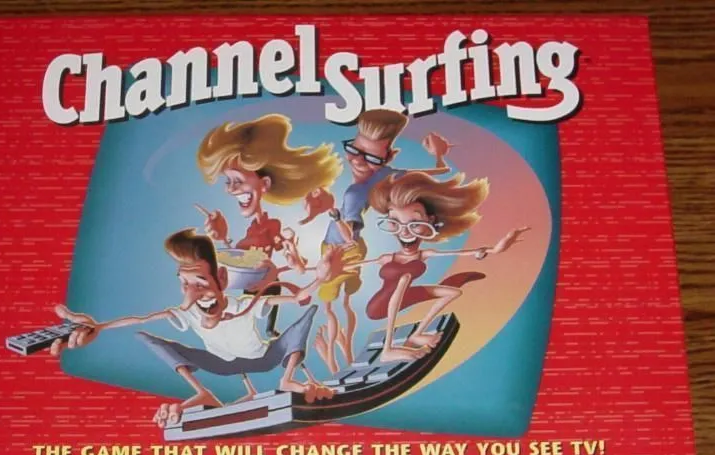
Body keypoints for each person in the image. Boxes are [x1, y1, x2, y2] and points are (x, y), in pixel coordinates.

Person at [50, 229, 345, 427]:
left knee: (304, 319)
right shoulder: (188, 313)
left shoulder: (244, 304)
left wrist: (319, 278)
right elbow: (140, 320)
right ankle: (203, 394)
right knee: (148, 338)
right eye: (185, 284)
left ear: (221, 279)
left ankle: (288, 379)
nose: (193, 295)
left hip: (262, 359)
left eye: (201, 283)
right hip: (222, 364)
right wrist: (100, 327)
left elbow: (298, 298)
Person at [301, 109, 453, 373]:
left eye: (372, 158)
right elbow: (441, 170)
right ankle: (346, 356)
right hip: (354, 248)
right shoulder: (389, 173)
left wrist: (334, 217)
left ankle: (334, 363)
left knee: (330, 306)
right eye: (354, 149)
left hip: (338, 249)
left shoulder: (353, 194)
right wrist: (438, 154)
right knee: (344, 303)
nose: (358, 161)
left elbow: (348, 237)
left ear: (389, 156)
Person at [344, 170, 529, 362]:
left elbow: (462, 253)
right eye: (395, 222)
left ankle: (417, 334)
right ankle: (388, 350)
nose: (405, 233)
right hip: (380, 305)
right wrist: (330, 267)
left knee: (453, 292)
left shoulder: (425, 254)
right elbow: (353, 265)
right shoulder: (388, 258)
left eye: (414, 223)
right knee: (404, 279)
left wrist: (495, 249)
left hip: (406, 295)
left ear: (430, 222)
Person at [196, 113, 342, 337]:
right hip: (249, 281)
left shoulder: (272, 224)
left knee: (269, 297)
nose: (230, 189)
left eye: (237, 180)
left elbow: (291, 259)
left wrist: (294, 256)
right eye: (228, 181)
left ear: (264, 183)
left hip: (265, 279)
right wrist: (221, 236)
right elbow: (239, 257)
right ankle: (252, 326)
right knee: (247, 309)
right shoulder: (252, 228)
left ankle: (269, 327)